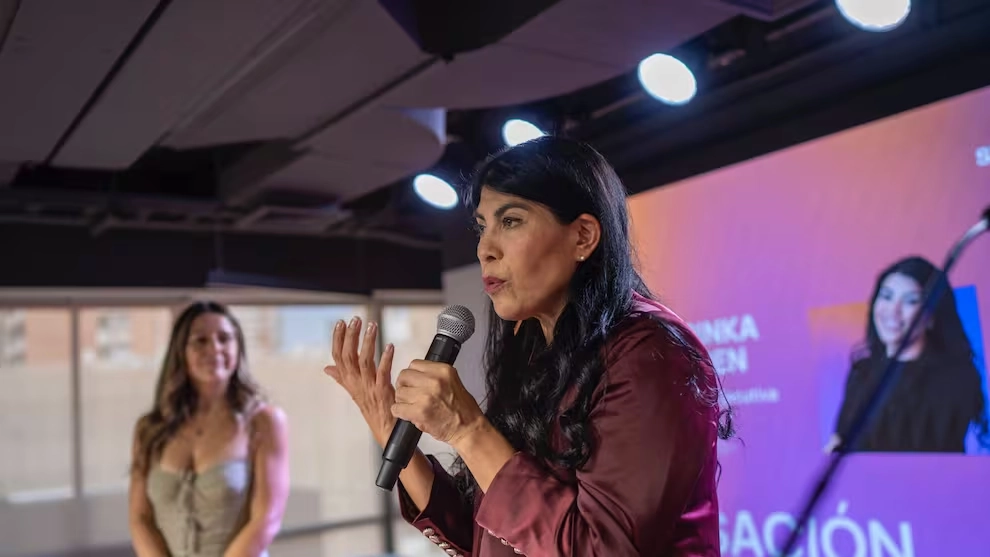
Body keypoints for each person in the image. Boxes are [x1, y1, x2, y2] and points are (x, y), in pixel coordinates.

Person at [324, 136, 734, 556]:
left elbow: (601, 548)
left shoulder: (650, 353)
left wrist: (467, 429)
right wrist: (390, 426)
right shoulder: (540, 352)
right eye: (483, 226)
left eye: (512, 221)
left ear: (583, 237)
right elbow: (493, 534)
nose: (485, 249)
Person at [128, 301, 290, 557]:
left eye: (224, 338)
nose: (214, 348)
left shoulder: (263, 422)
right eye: (200, 341)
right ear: (181, 352)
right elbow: (140, 519)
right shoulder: (150, 429)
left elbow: (267, 519)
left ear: (238, 348)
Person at [828, 256, 990, 454]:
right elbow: (840, 438)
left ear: (932, 316)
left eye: (910, 301)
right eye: (886, 296)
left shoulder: (954, 377)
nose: (892, 311)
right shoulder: (863, 371)